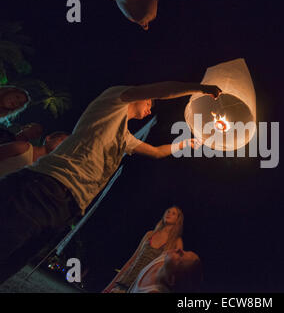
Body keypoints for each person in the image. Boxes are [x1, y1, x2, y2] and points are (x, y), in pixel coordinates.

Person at [0, 81, 220, 284]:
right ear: (139, 95)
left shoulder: (124, 136)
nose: (150, 109)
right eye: (149, 103)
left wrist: (185, 143)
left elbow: (155, 152)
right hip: (48, 186)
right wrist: (200, 88)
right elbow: (160, 90)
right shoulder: (113, 100)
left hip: (68, 206)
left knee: (11, 262)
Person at [103, 206, 184, 293]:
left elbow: (173, 273)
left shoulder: (176, 242)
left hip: (143, 287)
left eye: (173, 213)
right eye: (168, 211)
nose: (169, 214)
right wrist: (109, 287)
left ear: (177, 219)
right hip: (126, 281)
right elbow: (132, 260)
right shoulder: (150, 234)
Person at [128, 249, 203, 293]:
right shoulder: (163, 258)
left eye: (180, 257)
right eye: (185, 251)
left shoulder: (153, 291)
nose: (179, 249)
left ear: (170, 279)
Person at [0, 131, 68, 177]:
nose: (64, 146)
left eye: (66, 145)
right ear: (48, 138)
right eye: (62, 140)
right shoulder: (24, 148)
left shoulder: (41, 170)